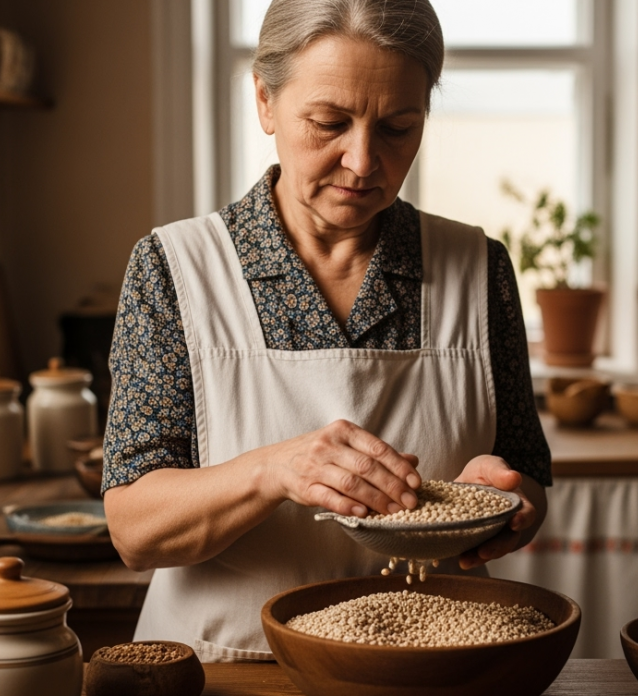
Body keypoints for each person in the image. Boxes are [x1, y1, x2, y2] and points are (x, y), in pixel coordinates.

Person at [101, 0, 551, 662]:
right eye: (328, 123)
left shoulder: (479, 268)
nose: (363, 161)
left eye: (399, 127)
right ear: (264, 100)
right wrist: (271, 470)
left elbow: (529, 479)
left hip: (434, 666)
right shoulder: (175, 269)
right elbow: (134, 531)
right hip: (230, 669)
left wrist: (505, 503)